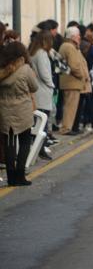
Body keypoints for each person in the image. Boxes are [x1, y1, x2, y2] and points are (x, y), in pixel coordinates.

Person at [0, 42, 38, 186]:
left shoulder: (2, 70)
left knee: (9, 145)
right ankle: (20, 176)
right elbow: (34, 87)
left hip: (5, 111)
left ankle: (11, 178)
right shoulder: (25, 69)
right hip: (22, 111)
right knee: (24, 143)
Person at [29, 30, 58, 155]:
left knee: (39, 122)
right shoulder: (41, 54)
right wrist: (52, 85)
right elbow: (44, 73)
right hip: (43, 91)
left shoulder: (33, 53)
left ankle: (39, 147)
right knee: (43, 122)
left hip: (38, 91)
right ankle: (41, 148)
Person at [58, 27, 90, 135]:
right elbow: (75, 66)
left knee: (70, 106)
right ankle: (66, 128)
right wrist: (83, 76)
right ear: (72, 37)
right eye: (78, 35)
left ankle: (69, 127)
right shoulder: (69, 47)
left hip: (70, 81)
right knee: (70, 107)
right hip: (72, 82)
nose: (80, 37)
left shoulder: (67, 46)